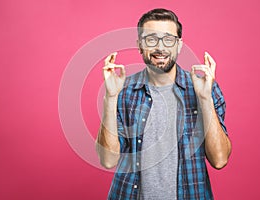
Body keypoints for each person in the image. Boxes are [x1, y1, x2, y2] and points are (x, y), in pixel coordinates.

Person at [96, 8, 232, 200]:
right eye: (151, 39)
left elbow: (219, 159)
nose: (160, 48)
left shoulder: (204, 88)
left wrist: (204, 99)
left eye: (168, 39)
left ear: (179, 45)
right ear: (140, 45)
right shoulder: (122, 91)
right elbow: (108, 160)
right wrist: (110, 97)